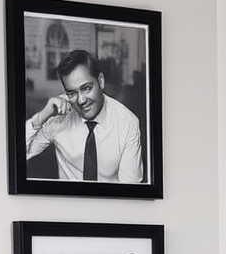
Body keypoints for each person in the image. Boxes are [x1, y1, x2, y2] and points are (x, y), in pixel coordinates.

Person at [24, 49, 144, 184]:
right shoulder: (58, 117)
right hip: (67, 203)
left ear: (101, 81)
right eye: (72, 93)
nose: (81, 100)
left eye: (86, 88)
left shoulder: (127, 123)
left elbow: (130, 188)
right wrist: (42, 116)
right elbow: (17, 155)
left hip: (110, 203)